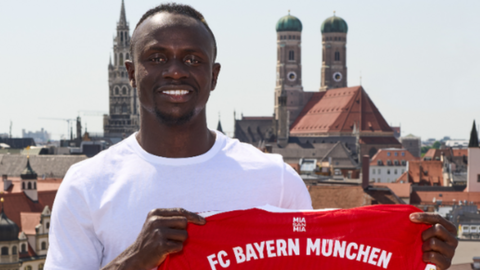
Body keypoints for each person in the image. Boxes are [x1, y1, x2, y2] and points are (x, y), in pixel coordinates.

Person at [45, 3, 457, 270]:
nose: (175, 70)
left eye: (192, 59)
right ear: (130, 73)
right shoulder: (86, 186)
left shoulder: (274, 178)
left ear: (214, 75)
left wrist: (420, 258)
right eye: (156, 58)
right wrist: (135, 260)